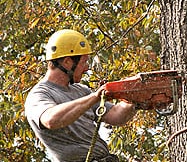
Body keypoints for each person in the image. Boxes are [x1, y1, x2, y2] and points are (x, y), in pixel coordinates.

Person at [25, 29, 136, 162]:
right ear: (67, 62)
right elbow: (51, 120)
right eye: (84, 62)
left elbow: (117, 116)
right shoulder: (39, 95)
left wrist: (133, 98)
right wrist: (95, 97)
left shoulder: (81, 91)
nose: (87, 68)